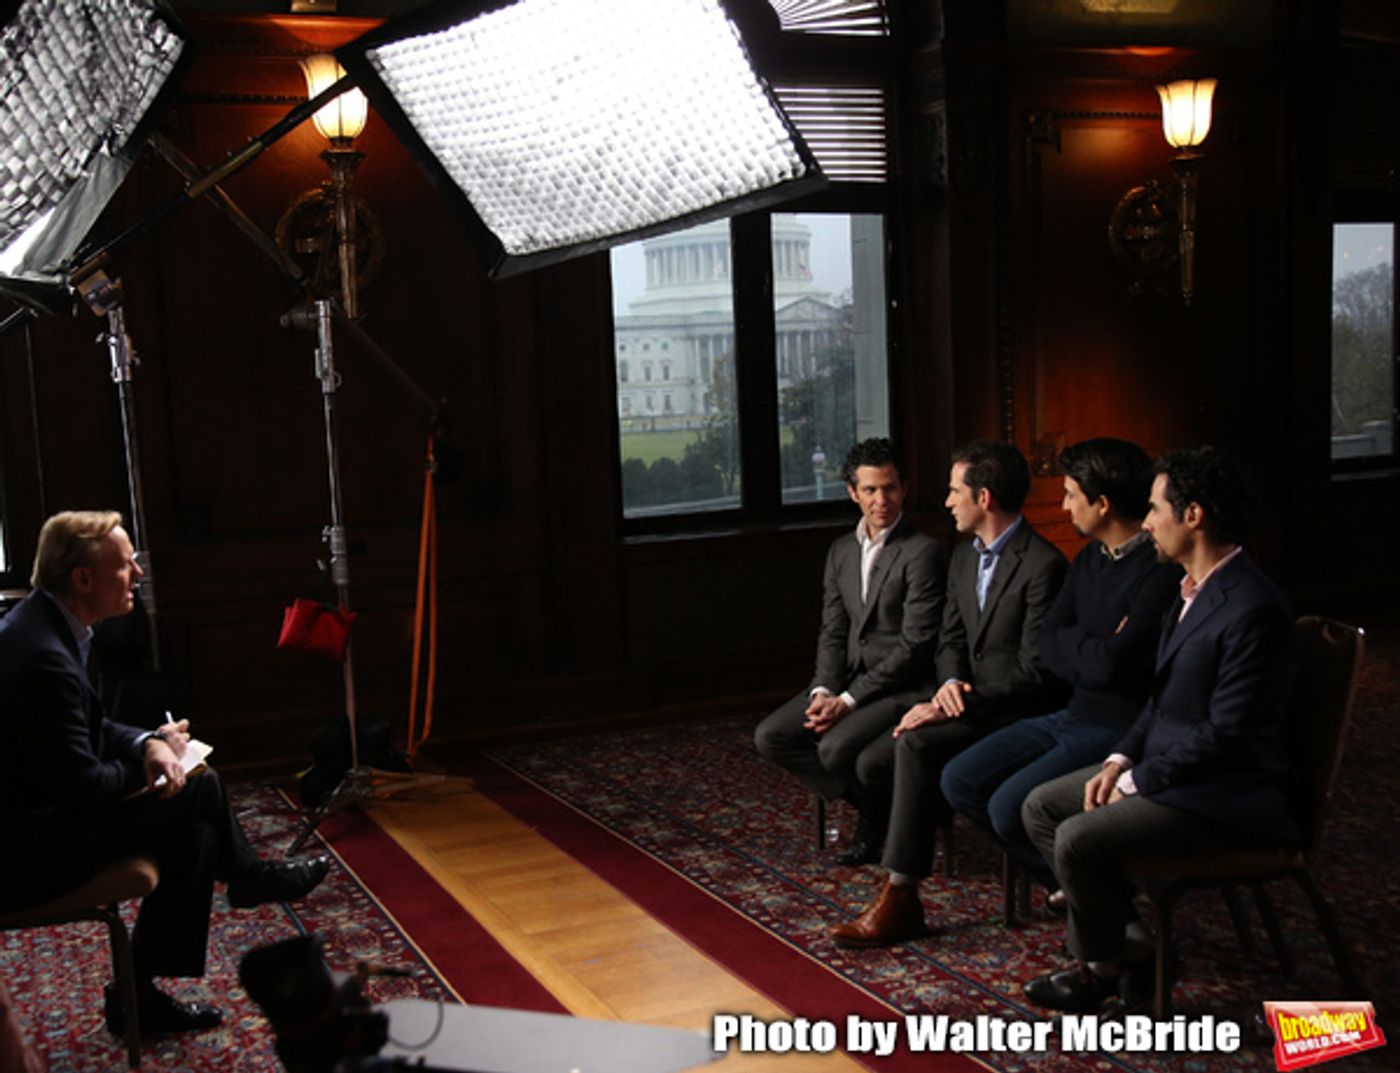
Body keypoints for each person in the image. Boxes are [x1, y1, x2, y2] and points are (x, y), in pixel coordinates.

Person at [0, 511, 331, 1037]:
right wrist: (152, 765)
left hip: (38, 820)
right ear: (83, 579)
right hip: (26, 854)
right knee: (199, 787)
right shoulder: (44, 655)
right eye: (125, 564)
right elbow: (84, 786)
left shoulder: (45, 624)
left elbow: (90, 728)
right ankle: (248, 877)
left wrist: (150, 743)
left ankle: (136, 997)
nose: (138, 573)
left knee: (197, 835)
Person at [1020, 446, 1296, 1013]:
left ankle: (1100, 967)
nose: (1145, 523)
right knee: (1042, 807)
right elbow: (1159, 700)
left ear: (1192, 516)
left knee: (1077, 836)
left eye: (1153, 509)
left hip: (1225, 793)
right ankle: (1134, 945)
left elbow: (1226, 734)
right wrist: (1120, 759)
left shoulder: (1251, 606)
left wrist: (1136, 781)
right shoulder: (1189, 588)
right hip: (1170, 770)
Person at [829, 440, 1067, 946]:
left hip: (1015, 710)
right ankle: (904, 876)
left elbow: (1037, 674)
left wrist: (961, 700)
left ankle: (900, 893)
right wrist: (950, 685)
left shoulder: (1043, 564)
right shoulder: (962, 555)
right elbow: (949, 641)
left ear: (984, 497)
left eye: (955, 491)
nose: (947, 501)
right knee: (887, 751)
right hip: (965, 700)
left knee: (914, 743)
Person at [940, 438, 1180, 886]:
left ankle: (1099, 896)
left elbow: (1111, 665)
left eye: (1071, 495)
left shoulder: (1160, 570)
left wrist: (1083, 648)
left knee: (1007, 807)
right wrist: (1094, 648)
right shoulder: (1088, 558)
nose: (1064, 506)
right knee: (959, 779)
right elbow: (1049, 642)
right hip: (1070, 712)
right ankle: (1073, 885)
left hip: (1118, 727)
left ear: (1102, 505)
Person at [754, 438, 947, 865]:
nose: (882, 500)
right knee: (772, 736)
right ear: (852, 492)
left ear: (905, 488)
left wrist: (847, 701)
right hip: (847, 681)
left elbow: (915, 646)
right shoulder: (841, 550)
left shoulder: (923, 551)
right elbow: (833, 632)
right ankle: (879, 808)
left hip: (901, 685)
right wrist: (824, 690)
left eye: (890, 488)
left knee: (834, 749)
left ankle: (876, 822)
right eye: (870, 490)